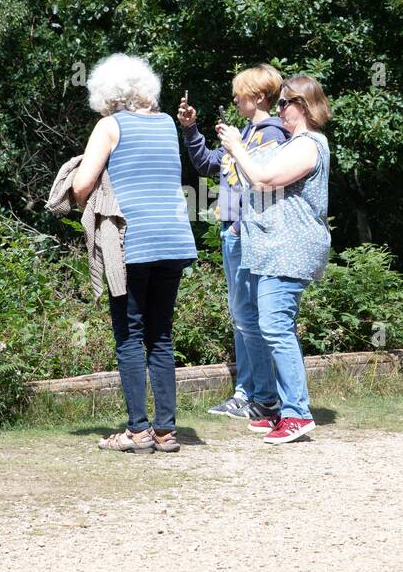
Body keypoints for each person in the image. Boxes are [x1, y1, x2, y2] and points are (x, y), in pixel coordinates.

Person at [72, 54, 197, 454]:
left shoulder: (109, 126)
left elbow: (81, 185)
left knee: (129, 336)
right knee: (161, 336)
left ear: (106, 92)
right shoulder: (166, 125)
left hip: (132, 244)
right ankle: (165, 431)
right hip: (174, 240)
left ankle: (137, 431)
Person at [216, 76, 331, 445]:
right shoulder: (295, 142)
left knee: (277, 327)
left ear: (304, 105)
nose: (279, 110)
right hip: (274, 249)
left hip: (290, 249)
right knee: (272, 325)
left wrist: (237, 145)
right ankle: (282, 409)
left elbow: (263, 179)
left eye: (284, 103)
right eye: (279, 104)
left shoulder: (310, 145)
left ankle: (297, 413)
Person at [176, 64, 290, 423]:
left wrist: (240, 225)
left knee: (249, 316)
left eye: (239, 92)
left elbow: (265, 186)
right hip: (233, 233)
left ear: (258, 96)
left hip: (246, 234)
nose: (234, 97)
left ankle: (264, 397)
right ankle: (246, 393)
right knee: (242, 317)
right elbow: (209, 164)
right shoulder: (246, 132)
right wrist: (191, 129)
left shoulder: (271, 134)